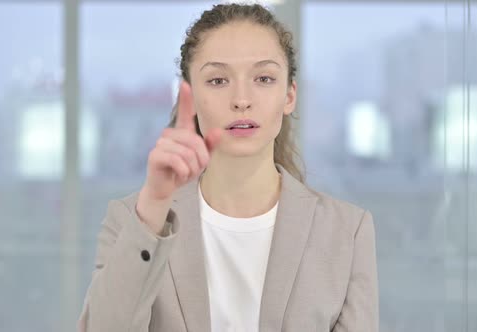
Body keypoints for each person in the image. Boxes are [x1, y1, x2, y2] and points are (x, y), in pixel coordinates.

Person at [78, 3, 378, 332]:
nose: (241, 100)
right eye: (218, 80)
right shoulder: (130, 221)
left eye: (264, 78)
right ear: (188, 96)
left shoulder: (347, 231)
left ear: (289, 95)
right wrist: (153, 208)